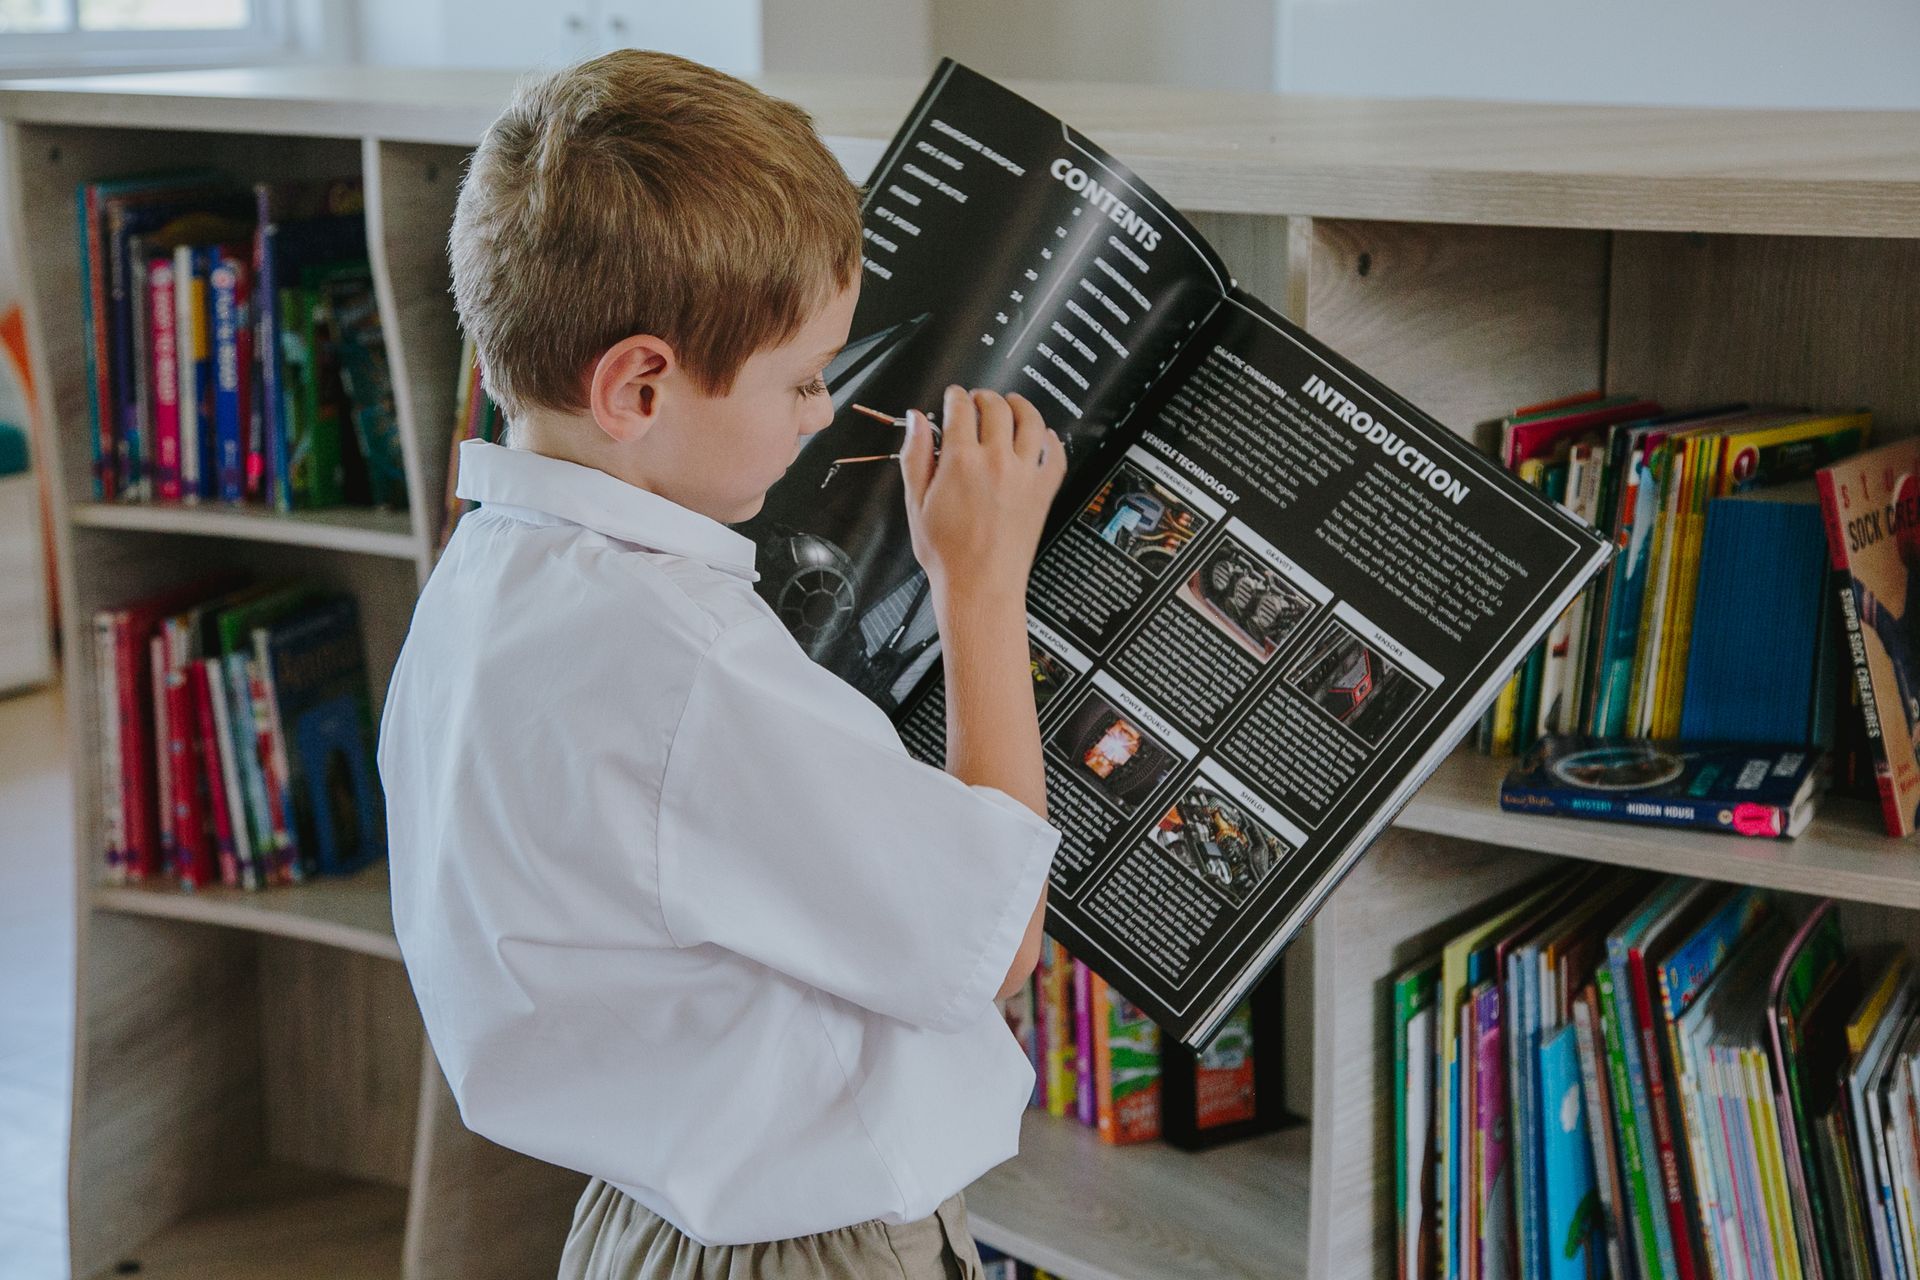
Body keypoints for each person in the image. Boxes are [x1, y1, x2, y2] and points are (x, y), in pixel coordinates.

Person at [376, 50, 1067, 1280]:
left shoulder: (479, 585)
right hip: (812, 1240)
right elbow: (995, 938)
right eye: (801, 378)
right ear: (639, 385)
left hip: (647, 1220)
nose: (818, 411)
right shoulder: (685, 662)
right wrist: (980, 583)